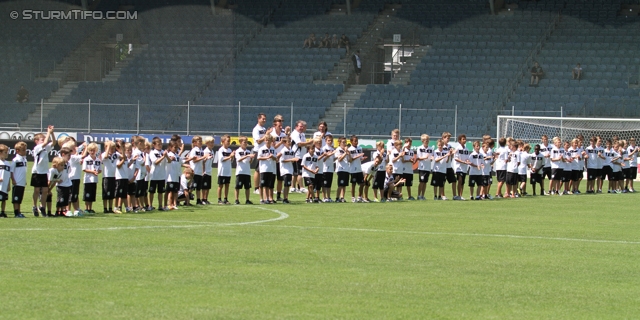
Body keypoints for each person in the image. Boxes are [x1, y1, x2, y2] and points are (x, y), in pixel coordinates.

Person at [31, 125, 56, 217]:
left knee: (45, 190)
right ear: (36, 141)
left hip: (44, 172)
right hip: (37, 172)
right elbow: (45, 142)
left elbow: (53, 142)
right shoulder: (37, 148)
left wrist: (52, 133)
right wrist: (48, 132)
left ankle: (42, 206)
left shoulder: (45, 148)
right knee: (37, 190)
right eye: (41, 139)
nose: (44, 140)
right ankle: (34, 206)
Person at [291, 120, 313, 193]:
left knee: (295, 172)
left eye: (302, 126)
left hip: (301, 155)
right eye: (300, 126)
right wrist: (309, 142)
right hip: (297, 155)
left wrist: (309, 144)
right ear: (296, 126)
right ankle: (301, 187)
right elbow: (299, 144)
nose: (302, 128)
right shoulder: (294, 134)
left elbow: (304, 144)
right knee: (299, 172)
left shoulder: (302, 134)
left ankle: (292, 187)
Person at [271, 115, 289, 201]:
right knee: (272, 178)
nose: (281, 123)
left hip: (281, 158)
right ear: (275, 123)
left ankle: (278, 196)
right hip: (274, 157)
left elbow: (287, 144)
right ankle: (270, 196)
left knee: (280, 179)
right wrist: (281, 142)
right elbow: (272, 146)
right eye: (279, 121)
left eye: (282, 121)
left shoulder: (283, 133)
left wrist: (288, 134)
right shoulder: (272, 133)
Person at [252, 113, 272, 195]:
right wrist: (266, 134)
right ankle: (256, 188)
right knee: (257, 170)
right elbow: (258, 141)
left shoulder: (263, 128)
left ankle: (262, 186)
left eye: (265, 119)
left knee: (263, 169)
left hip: (264, 150)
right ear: (258, 119)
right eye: (263, 119)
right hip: (258, 150)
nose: (264, 120)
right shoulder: (256, 129)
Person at [148, 137, 167, 211]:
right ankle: (150, 205)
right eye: (158, 144)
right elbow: (155, 162)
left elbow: (168, 161)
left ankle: (160, 206)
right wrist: (163, 156)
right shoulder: (152, 152)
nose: (160, 145)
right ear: (154, 145)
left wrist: (167, 156)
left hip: (161, 175)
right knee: (152, 191)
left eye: (161, 144)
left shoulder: (163, 152)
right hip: (154, 175)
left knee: (160, 192)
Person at [234, 136, 254, 205]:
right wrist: (247, 156)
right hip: (240, 171)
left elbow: (249, 162)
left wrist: (251, 158)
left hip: (247, 172)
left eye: (246, 142)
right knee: (237, 187)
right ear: (240, 142)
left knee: (247, 187)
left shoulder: (248, 151)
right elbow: (238, 160)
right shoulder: (238, 151)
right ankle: (236, 199)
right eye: (244, 142)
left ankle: (247, 200)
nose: (246, 143)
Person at [82, 143, 101, 214]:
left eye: (93, 150)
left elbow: (100, 169)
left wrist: (97, 172)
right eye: (90, 150)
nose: (92, 152)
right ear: (88, 151)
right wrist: (92, 171)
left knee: (92, 195)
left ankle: (90, 208)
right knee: (87, 194)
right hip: (87, 180)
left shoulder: (98, 160)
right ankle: (86, 208)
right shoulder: (86, 159)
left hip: (94, 180)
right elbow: (84, 169)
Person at [278, 136, 297, 204]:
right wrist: (292, 159)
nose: (290, 143)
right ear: (285, 143)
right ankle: (284, 199)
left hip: (290, 169)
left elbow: (291, 160)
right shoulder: (283, 150)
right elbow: (282, 160)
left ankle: (286, 198)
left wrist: (293, 160)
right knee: (286, 184)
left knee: (288, 184)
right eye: (288, 142)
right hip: (284, 169)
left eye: (290, 142)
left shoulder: (291, 151)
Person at [257, 135, 276, 204]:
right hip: (263, 169)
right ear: (265, 140)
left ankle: (267, 198)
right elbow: (259, 158)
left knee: (267, 185)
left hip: (270, 169)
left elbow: (275, 159)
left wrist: (272, 156)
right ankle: (261, 199)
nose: (268, 141)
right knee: (262, 184)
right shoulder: (262, 149)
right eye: (266, 140)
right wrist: (267, 157)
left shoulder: (273, 149)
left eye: (269, 140)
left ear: (271, 141)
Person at [11, 141, 28, 218]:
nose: (25, 152)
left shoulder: (24, 160)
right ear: (18, 151)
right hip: (17, 182)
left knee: (20, 198)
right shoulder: (15, 160)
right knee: (16, 199)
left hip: (22, 182)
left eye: (25, 150)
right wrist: (13, 180)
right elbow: (11, 171)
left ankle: (19, 211)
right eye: (23, 150)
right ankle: (16, 212)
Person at [187, 136, 206, 205]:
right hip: (194, 171)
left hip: (199, 171)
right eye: (199, 141)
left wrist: (205, 159)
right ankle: (186, 199)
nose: (201, 143)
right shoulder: (194, 150)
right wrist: (203, 157)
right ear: (195, 143)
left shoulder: (201, 150)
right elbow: (194, 160)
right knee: (192, 187)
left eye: (201, 141)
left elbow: (201, 161)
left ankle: (198, 200)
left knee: (198, 187)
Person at [217, 135, 234, 205]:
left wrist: (232, 157)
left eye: (229, 141)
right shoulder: (221, 150)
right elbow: (222, 159)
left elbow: (231, 160)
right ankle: (219, 199)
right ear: (223, 141)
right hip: (222, 171)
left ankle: (225, 199)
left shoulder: (229, 150)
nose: (229, 142)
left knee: (227, 185)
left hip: (228, 171)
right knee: (221, 185)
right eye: (227, 141)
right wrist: (230, 156)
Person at [452, 134, 470, 200]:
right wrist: (463, 162)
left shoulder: (467, 149)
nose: (465, 140)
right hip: (458, 167)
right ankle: (458, 195)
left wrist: (467, 161)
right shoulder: (457, 148)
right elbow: (456, 158)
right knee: (460, 180)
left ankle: (461, 195)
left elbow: (467, 158)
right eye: (463, 139)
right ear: (459, 140)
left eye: (465, 139)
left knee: (462, 182)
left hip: (464, 168)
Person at [416, 134, 433, 201]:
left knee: (425, 182)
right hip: (422, 167)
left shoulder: (431, 148)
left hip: (428, 167)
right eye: (426, 140)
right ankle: (418, 195)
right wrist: (425, 157)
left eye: (428, 140)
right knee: (421, 182)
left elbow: (432, 156)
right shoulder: (420, 148)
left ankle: (423, 195)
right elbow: (418, 158)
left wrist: (431, 158)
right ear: (422, 140)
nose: (427, 141)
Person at [165, 141, 181, 211]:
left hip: (176, 176)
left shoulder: (177, 155)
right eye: (175, 147)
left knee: (175, 191)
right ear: (170, 147)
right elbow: (168, 162)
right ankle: (169, 204)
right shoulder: (169, 155)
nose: (176, 149)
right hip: (170, 176)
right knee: (170, 191)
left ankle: (174, 204)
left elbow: (181, 163)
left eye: (177, 148)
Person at [334, 137, 351, 202]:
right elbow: (339, 159)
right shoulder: (338, 149)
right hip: (340, 169)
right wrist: (345, 153)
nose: (344, 144)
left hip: (346, 169)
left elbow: (349, 160)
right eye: (343, 142)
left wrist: (348, 154)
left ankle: (342, 197)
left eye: (345, 142)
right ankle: (337, 198)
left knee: (344, 185)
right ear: (339, 143)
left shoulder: (346, 150)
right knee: (340, 184)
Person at [321, 134, 336, 202]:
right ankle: (324, 197)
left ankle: (329, 197)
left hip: (331, 169)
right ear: (326, 141)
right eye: (328, 140)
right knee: (324, 184)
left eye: (331, 140)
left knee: (329, 184)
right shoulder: (324, 148)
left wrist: (337, 157)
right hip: (325, 168)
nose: (330, 142)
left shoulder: (332, 149)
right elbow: (323, 159)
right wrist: (330, 154)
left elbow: (333, 159)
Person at [202, 136, 215, 204]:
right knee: (204, 186)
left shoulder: (212, 151)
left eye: (213, 142)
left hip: (209, 171)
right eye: (211, 143)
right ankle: (203, 199)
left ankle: (206, 199)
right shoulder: (205, 151)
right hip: (205, 171)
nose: (212, 144)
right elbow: (202, 162)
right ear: (207, 143)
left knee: (208, 186)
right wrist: (203, 171)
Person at [0, 144, 10, 218]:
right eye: (5, 152)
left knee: (4, 199)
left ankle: (3, 212)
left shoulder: (7, 163)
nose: (7, 154)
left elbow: (8, 174)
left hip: (5, 184)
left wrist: (9, 184)